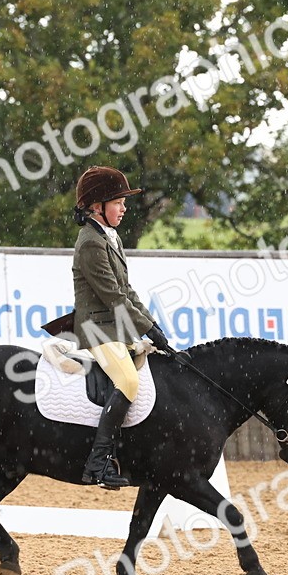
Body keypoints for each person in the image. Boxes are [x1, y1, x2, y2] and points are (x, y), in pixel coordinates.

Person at [70, 166, 170, 489]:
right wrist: (146, 328)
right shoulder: (90, 243)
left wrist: (151, 324)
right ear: (97, 206)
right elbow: (113, 298)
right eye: (118, 203)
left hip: (114, 329)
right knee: (127, 380)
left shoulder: (110, 238)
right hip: (97, 329)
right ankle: (96, 464)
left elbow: (128, 292)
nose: (125, 208)